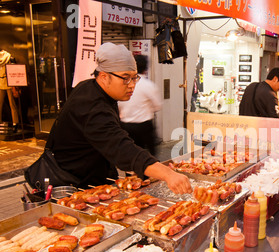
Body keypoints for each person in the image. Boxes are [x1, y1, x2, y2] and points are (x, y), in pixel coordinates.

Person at [44, 42, 191, 194]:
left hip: (96, 175)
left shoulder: (92, 88)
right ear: (104, 77)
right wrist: (167, 174)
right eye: (125, 78)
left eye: (135, 78)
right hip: (71, 185)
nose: (132, 85)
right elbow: (120, 147)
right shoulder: (90, 105)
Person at [118, 55, 162, 156]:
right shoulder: (149, 85)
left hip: (126, 126)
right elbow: (157, 106)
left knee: (129, 154)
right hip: (144, 126)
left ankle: (130, 171)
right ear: (146, 69)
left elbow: (118, 104)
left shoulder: (122, 84)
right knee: (149, 156)